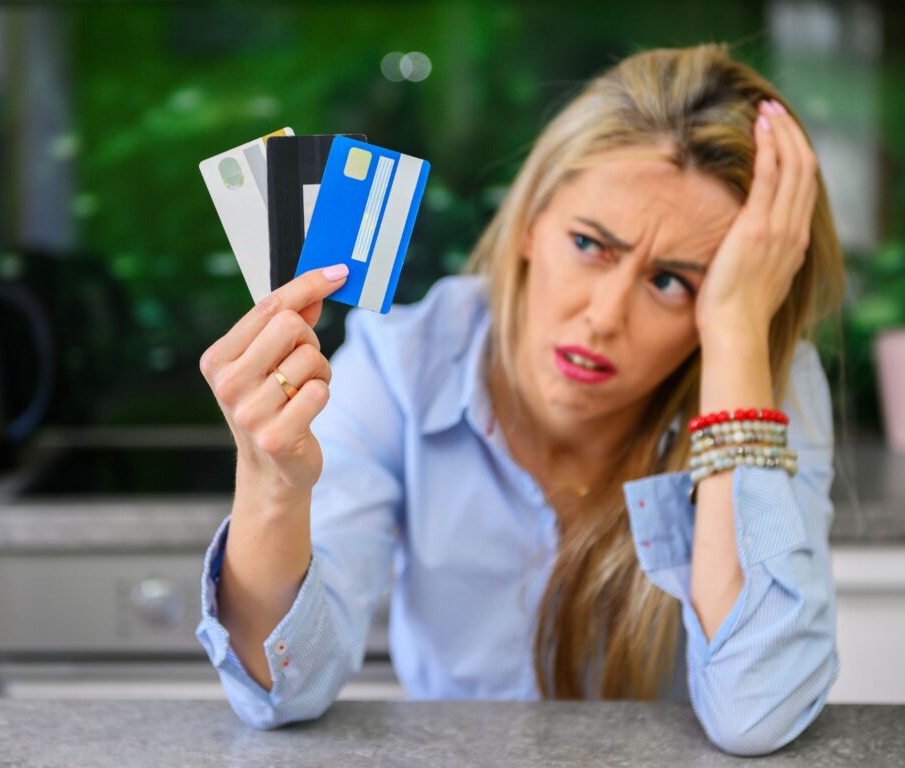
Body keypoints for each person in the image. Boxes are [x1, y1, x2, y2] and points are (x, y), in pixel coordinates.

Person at [195, 42, 845, 756]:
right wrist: (269, 478)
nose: (603, 315)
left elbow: (757, 713)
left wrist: (736, 340)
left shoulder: (761, 377)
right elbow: (283, 693)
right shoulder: (403, 362)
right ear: (531, 218)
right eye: (591, 244)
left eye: (673, 283)